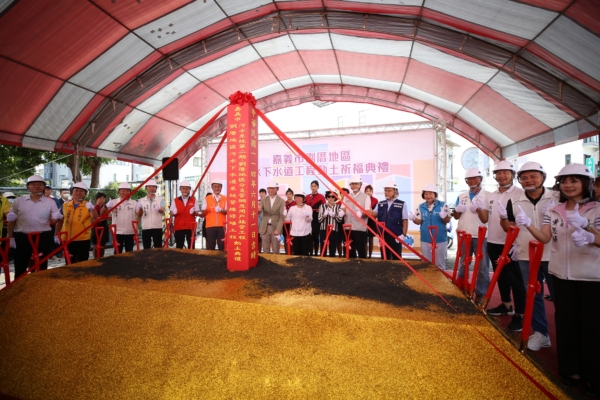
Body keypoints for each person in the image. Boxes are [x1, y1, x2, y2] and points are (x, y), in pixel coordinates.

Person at [517, 163, 599, 397]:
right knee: (566, 323)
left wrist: (589, 234)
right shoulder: (554, 210)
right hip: (560, 274)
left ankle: (594, 375)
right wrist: (528, 224)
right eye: (564, 181)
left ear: (586, 183)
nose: (568, 185)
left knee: (591, 327)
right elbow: (544, 238)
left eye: (574, 180)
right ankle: (571, 370)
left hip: (591, 276)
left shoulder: (596, 209)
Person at [500, 161, 556, 342]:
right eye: (524, 178)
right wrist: (503, 217)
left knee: (560, 297)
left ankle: (567, 335)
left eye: (533, 176)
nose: (529, 180)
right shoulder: (514, 201)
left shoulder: (556, 197)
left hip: (555, 255)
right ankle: (541, 333)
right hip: (526, 254)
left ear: (543, 178)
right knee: (533, 296)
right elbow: (509, 228)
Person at [473, 161, 527, 333]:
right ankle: (506, 304)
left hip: (512, 243)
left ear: (513, 174)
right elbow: (484, 219)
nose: (502, 176)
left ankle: (520, 314)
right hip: (493, 241)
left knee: (516, 280)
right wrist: (479, 208)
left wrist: (517, 242)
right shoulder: (491, 195)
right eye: (498, 173)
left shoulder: (520, 193)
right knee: (500, 276)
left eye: (506, 172)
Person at [6, 175, 62, 278]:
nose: (37, 186)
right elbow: (12, 220)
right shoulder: (19, 201)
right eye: (33, 184)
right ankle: (19, 285)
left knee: (41, 264)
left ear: (44, 187)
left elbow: (54, 220)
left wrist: (57, 218)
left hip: (42, 237)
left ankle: (40, 285)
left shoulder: (50, 202)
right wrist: (11, 237)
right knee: (20, 264)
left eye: (40, 184)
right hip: (22, 237)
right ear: (28, 187)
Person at [452, 167, 490, 303]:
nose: (472, 181)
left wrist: (480, 209)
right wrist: (457, 210)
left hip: (481, 236)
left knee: (482, 266)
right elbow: (456, 216)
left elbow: (488, 218)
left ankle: (481, 293)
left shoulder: (488, 195)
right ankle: (462, 288)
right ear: (466, 181)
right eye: (469, 179)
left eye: (475, 178)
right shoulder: (461, 196)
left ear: (480, 179)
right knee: (463, 264)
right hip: (464, 235)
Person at [410, 183, 450, 271]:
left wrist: (445, 217)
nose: (428, 196)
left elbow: (447, 220)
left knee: (439, 263)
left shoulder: (443, 205)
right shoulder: (420, 206)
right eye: (426, 194)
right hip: (425, 238)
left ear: (435, 194)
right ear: (423, 195)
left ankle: (440, 279)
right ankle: (427, 279)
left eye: (431, 193)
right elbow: (419, 221)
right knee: (426, 263)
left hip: (440, 238)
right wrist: (413, 218)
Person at [55, 182, 97, 263]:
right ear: (72, 192)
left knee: (83, 261)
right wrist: (56, 234)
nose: (78, 193)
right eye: (76, 190)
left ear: (85, 193)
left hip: (83, 238)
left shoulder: (88, 205)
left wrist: (92, 209)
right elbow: (60, 220)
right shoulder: (65, 205)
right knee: (69, 261)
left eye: (81, 191)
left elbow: (95, 218)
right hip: (67, 238)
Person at [376, 180, 408, 260]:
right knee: (384, 258)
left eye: (389, 191)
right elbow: (374, 214)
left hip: (396, 236)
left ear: (395, 191)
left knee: (397, 258)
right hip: (383, 236)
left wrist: (403, 234)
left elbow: (405, 220)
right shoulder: (380, 203)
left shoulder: (402, 204)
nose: (386, 193)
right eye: (385, 191)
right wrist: (365, 211)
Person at [342, 175, 371, 258]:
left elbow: (368, 212)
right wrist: (341, 212)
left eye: (356, 184)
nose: (354, 186)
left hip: (359, 229)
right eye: (352, 184)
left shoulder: (366, 197)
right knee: (350, 253)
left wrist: (362, 214)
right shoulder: (346, 197)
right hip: (348, 228)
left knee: (361, 252)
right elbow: (343, 208)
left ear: (360, 184)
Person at [106, 182, 138, 253]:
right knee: (117, 251)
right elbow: (104, 213)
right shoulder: (114, 202)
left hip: (130, 231)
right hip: (117, 231)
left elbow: (139, 214)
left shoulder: (134, 203)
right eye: (123, 190)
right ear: (119, 191)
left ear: (130, 192)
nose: (125, 192)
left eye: (127, 190)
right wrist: (106, 206)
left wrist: (140, 209)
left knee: (129, 251)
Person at [136, 179, 165, 249]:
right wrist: (140, 209)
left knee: (158, 247)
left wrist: (159, 209)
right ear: (146, 188)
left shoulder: (161, 199)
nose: (151, 188)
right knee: (146, 247)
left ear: (156, 188)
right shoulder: (140, 200)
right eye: (149, 187)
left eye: (153, 187)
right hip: (146, 227)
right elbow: (139, 215)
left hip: (157, 226)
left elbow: (163, 211)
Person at [170, 180, 200, 249]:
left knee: (191, 247)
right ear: (180, 189)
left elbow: (197, 213)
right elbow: (171, 214)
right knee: (179, 246)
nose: (185, 190)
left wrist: (194, 212)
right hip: (179, 227)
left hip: (191, 227)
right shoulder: (175, 200)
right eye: (183, 188)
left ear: (189, 189)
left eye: (187, 188)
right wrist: (174, 213)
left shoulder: (193, 200)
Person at [258, 180, 285, 254]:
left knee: (276, 250)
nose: (271, 190)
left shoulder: (281, 201)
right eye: (269, 188)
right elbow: (260, 211)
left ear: (277, 189)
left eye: (273, 188)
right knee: (265, 250)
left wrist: (278, 230)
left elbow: (281, 217)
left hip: (275, 228)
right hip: (264, 227)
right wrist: (258, 210)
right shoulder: (263, 200)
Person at [199, 180, 226, 250]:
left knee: (222, 246)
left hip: (221, 226)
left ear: (221, 188)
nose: (217, 188)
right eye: (215, 186)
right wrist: (203, 209)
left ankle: (221, 257)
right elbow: (203, 214)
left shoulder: (225, 198)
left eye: (219, 186)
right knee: (211, 246)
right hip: (210, 226)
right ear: (212, 187)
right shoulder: (207, 199)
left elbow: (227, 212)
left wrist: (221, 210)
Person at [284, 191, 312, 255]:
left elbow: (309, 220)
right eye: (296, 197)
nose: (298, 199)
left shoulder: (308, 208)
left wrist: (306, 215)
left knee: (305, 253)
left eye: (300, 198)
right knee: (296, 253)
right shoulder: (292, 208)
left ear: (303, 199)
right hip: (294, 234)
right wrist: (284, 215)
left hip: (305, 234)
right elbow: (287, 220)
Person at [318, 190, 345, 257]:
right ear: (326, 197)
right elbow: (319, 220)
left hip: (334, 230)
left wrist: (334, 215)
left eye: (333, 197)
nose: (331, 198)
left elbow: (339, 220)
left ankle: (332, 260)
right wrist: (324, 215)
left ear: (335, 198)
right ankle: (322, 260)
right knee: (323, 247)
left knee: (333, 247)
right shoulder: (322, 206)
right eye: (329, 196)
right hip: (323, 229)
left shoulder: (338, 207)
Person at [305, 180, 326, 256]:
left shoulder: (321, 196)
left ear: (318, 187)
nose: (313, 187)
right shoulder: (307, 196)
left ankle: (316, 253)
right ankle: (310, 253)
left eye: (315, 186)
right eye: (312, 186)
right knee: (309, 236)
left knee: (316, 237)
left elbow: (324, 207)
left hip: (317, 217)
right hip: (308, 218)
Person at [93, 192, 110, 258]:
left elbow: (107, 215)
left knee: (103, 244)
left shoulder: (106, 207)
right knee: (96, 244)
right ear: (96, 199)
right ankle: (96, 258)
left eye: (103, 198)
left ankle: (101, 257)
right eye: (100, 198)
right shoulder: (94, 207)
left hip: (104, 226)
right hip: (96, 227)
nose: (102, 200)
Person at [364, 184, 378, 258]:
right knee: (364, 239)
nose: (368, 192)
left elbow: (375, 212)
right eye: (367, 191)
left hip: (371, 221)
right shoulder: (363, 199)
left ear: (372, 192)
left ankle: (370, 255)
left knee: (371, 239)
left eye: (370, 191)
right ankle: (365, 255)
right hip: (364, 220)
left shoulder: (375, 200)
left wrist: (371, 212)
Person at [282, 188, 296, 253]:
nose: (289, 195)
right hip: (285, 223)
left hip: (293, 224)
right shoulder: (284, 203)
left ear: (292, 195)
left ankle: (293, 252)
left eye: (290, 194)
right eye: (287, 194)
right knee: (286, 237)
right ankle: (287, 252)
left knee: (293, 237)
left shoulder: (295, 203)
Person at [258, 188, 266, 252]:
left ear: (265, 194)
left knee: (265, 238)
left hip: (266, 222)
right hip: (258, 222)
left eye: (263, 193)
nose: (261, 194)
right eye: (260, 193)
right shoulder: (257, 202)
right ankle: (259, 251)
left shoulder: (268, 202)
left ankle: (265, 251)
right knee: (258, 238)